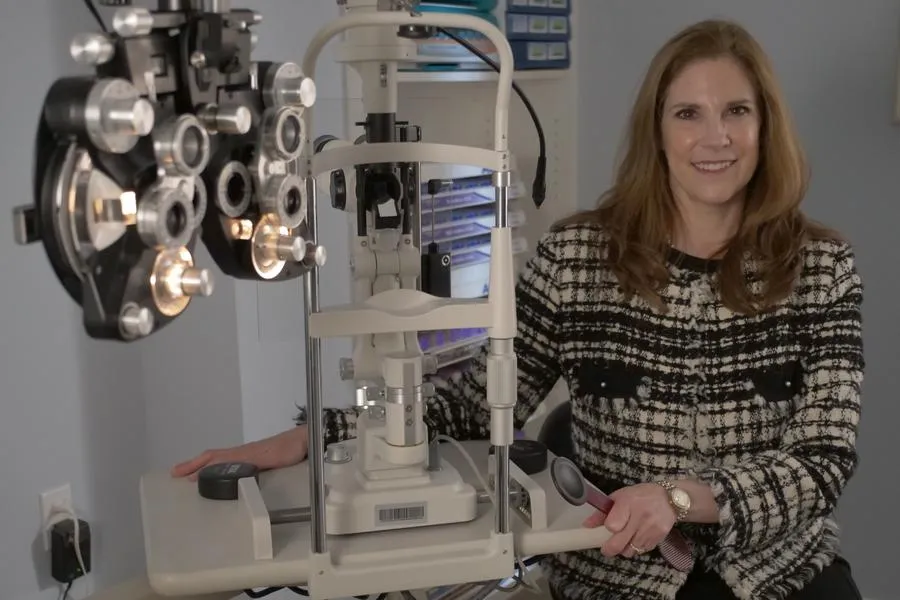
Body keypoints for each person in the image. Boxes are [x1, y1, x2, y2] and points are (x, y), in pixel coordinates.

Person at [172, 18, 865, 600]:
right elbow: (471, 404)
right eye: (689, 113)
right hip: (618, 577)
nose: (715, 137)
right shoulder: (578, 258)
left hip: (781, 573)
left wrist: (679, 498)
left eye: (736, 111)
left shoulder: (823, 270)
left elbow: (822, 461)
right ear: (657, 132)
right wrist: (316, 435)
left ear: (765, 125)